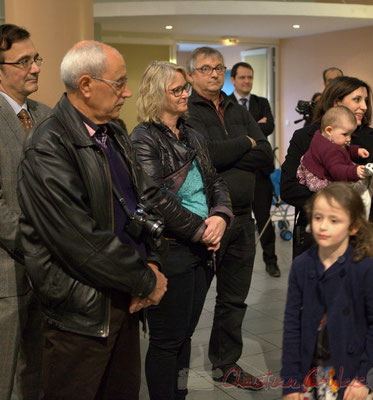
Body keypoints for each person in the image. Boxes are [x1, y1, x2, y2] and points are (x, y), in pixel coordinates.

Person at [17, 40, 168, 400]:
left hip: (126, 298)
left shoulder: (113, 133)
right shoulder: (48, 145)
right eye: (119, 84)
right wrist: (147, 279)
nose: (127, 93)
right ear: (86, 85)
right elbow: (80, 240)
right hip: (81, 312)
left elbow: (145, 200)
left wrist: (151, 259)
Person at [130, 61, 233, 400]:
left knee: (185, 335)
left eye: (184, 87)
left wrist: (220, 216)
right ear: (155, 94)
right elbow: (154, 197)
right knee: (166, 340)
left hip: (201, 248)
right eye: (177, 90)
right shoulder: (143, 137)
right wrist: (200, 230)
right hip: (170, 249)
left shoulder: (192, 133)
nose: (185, 94)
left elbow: (214, 180)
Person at [186, 46, 274, 389]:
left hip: (244, 218)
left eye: (219, 67)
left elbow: (265, 154)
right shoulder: (188, 109)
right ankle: (174, 359)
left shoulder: (235, 105)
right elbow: (206, 156)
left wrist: (240, 150)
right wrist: (246, 144)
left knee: (234, 298)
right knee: (192, 300)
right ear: (192, 74)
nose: (214, 74)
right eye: (206, 68)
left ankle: (226, 364)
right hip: (206, 220)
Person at [281, 76, 373, 294]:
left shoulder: (372, 140)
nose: (364, 106)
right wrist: (333, 213)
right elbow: (289, 187)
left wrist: (362, 229)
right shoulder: (306, 137)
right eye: (357, 99)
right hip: (318, 237)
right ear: (336, 102)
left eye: (366, 101)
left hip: (365, 236)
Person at [281, 182, 373, 399]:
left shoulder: (367, 269)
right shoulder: (302, 266)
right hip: (313, 373)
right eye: (318, 217)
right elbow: (292, 325)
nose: (322, 226)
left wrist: (364, 378)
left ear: (353, 226)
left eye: (334, 220)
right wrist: (291, 383)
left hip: (354, 373)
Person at [0, 24, 51, 400]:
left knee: (38, 375)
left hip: (49, 275)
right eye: (23, 61)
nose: (35, 68)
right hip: (8, 273)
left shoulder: (46, 116)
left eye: (36, 59)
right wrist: (36, 243)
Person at [228, 61, 280, 277]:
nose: (247, 81)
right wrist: (254, 128)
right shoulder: (226, 103)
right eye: (242, 77)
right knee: (234, 221)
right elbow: (227, 134)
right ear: (233, 80)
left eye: (250, 77)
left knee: (264, 219)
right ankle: (234, 262)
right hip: (234, 171)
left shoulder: (261, 101)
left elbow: (270, 126)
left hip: (260, 171)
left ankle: (271, 261)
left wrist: (243, 132)